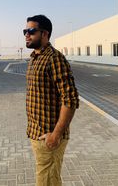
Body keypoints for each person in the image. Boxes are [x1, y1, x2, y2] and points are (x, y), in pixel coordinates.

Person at [24, 15, 79, 186]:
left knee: (46, 180)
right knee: (49, 178)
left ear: (45, 34)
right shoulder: (35, 57)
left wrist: (55, 135)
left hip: (49, 136)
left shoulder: (54, 58)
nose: (27, 34)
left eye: (31, 31)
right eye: (25, 31)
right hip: (37, 133)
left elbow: (70, 99)